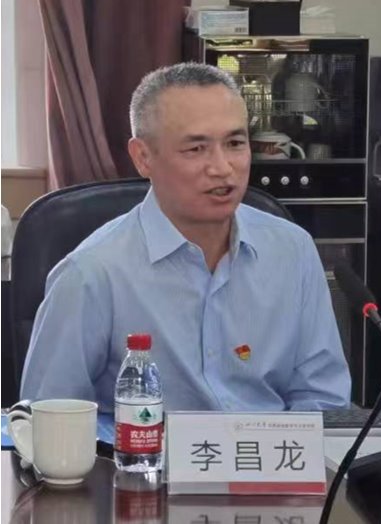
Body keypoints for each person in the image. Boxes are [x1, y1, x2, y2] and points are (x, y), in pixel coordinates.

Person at [21, 63, 351, 413]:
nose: (222, 168)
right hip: (143, 447)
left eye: (235, 143)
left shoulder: (293, 250)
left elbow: (323, 399)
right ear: (143, 157)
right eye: (196, 149)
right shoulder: (91, 273)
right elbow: (49, 421)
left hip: (270, 448)